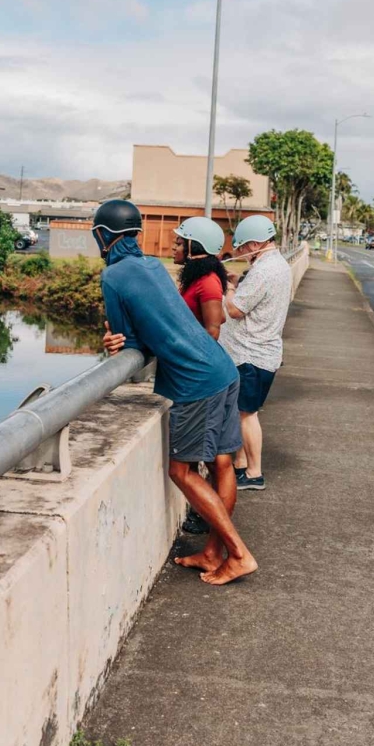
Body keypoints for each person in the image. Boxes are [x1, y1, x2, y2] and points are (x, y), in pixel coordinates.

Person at [96, 200, 256, 586]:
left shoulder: (113, 276)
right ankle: (213, 553)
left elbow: (132, 344)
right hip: (222, 370)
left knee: (180, 471)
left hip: (194, 382)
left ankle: (239, 555)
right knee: (221, 464)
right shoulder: (154, 266)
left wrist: (113, 340)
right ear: (136, 234)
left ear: (102, 236)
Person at [221, 214, 293, 491]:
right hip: (263, 351)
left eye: (242, 247)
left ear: (253, 244)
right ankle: (241, 465)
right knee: (243, 412)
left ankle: (254, 473)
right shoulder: (279, 265)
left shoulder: (263, 271)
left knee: (247, 415)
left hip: (250, 354)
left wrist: (229, 288)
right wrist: (240, 285)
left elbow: (235, 310)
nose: (241, 253)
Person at [173, 216, 230, 537]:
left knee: (210, 460)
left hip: (202, 378)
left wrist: (185, 356)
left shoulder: (207, 281)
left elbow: (214, 329)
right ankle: (208, 520)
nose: (174, 246)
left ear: (195, 247)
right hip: (199, 375)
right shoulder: (198, 278)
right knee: (206, 458)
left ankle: (210, 521)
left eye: (180, 242)